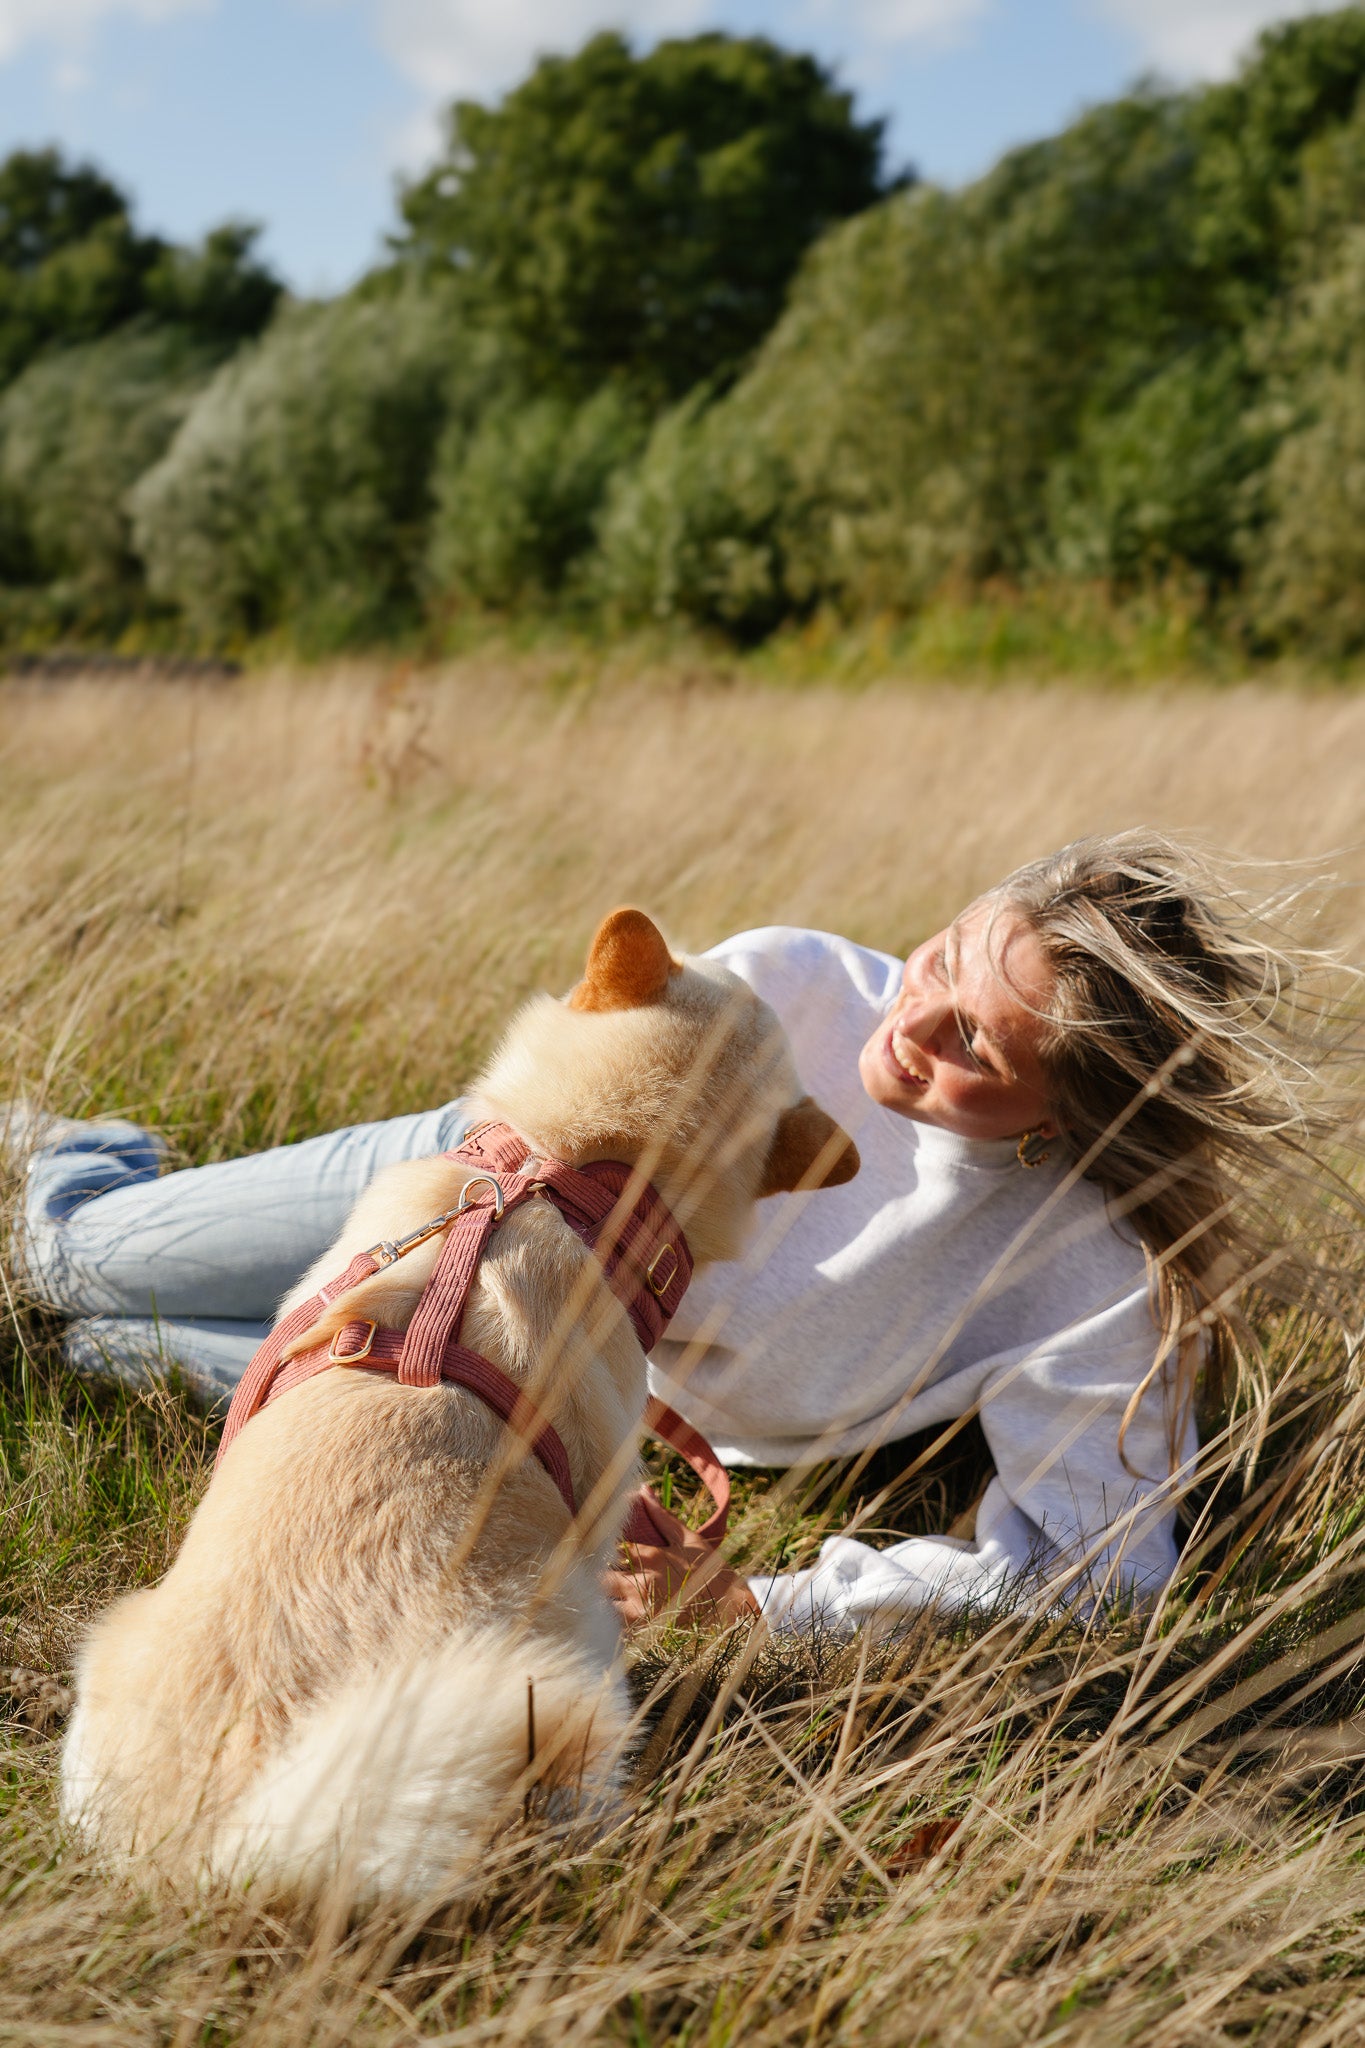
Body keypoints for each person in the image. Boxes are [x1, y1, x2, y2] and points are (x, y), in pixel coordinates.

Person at [11, 832, 1335, 1630]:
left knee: (102, 1350)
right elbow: (546, 1131)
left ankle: (104, 1230)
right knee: (63, 1264)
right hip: (463, 1183)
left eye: (975, 1043)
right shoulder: (790, 983)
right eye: (940, 958)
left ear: (1071, 1120)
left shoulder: (1091, 1280)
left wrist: (769, 1604)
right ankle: (76, 1161)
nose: (910, 1025)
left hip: (551, 1399)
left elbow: (1093, 1581)